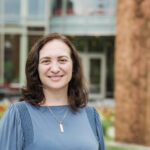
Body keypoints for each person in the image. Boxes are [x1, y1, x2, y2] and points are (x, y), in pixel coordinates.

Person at [0, 33, 105, 150]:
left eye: (62, 60)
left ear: (74, 66)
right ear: (36, 68)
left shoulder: (91, 115)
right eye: (46, 61)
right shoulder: (18, 115)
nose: (55, 69)